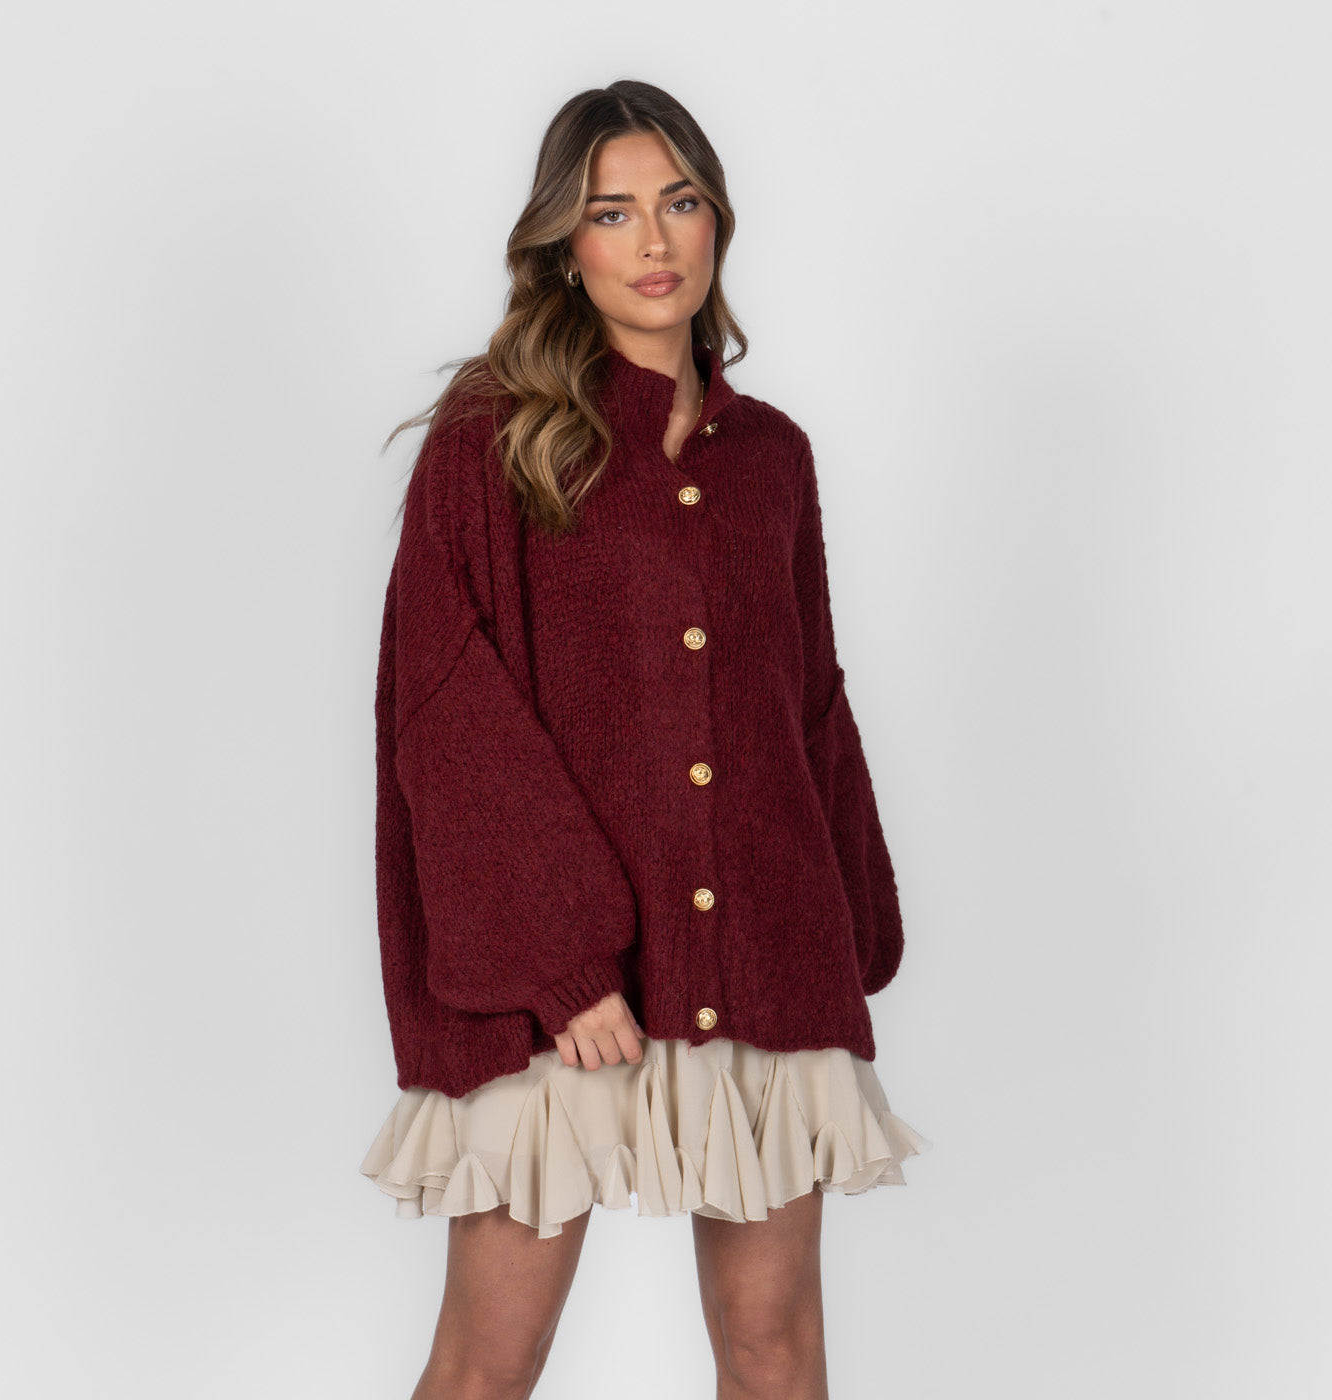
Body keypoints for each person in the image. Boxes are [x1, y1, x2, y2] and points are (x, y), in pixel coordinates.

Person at [360, 78, 931, 1400]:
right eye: (613, 212)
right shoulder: (492, 442)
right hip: (560, 990)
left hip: (762, 955)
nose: (656, 240)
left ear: (718, 216)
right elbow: (446, 718)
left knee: (776, 1353)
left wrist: (842, 932)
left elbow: (807, 704)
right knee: (488, 1361)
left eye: (679, 202)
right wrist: (560, 957)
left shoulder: (772, 457)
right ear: (566, 242)